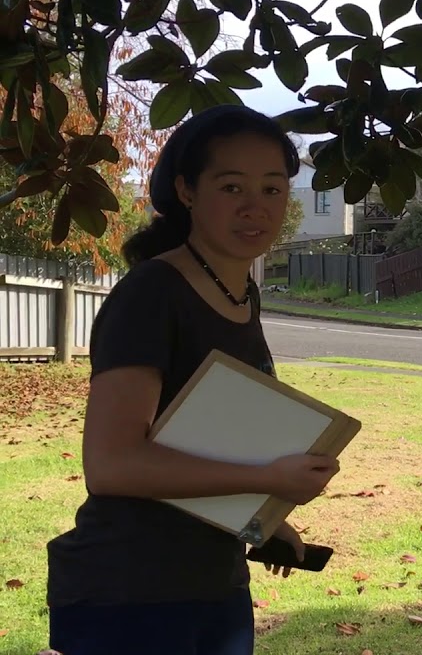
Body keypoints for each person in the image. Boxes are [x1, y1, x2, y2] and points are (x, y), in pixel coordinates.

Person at [44, 104, 341, 655]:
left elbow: (202, 436)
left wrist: (262, 518)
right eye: (231, 187)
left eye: (272, 189)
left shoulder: (241, 294)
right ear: (186, 190)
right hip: (131, 595)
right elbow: (112, 465)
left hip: (212, 584)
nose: (255, 206)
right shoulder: (151, 296)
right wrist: (267, 477)